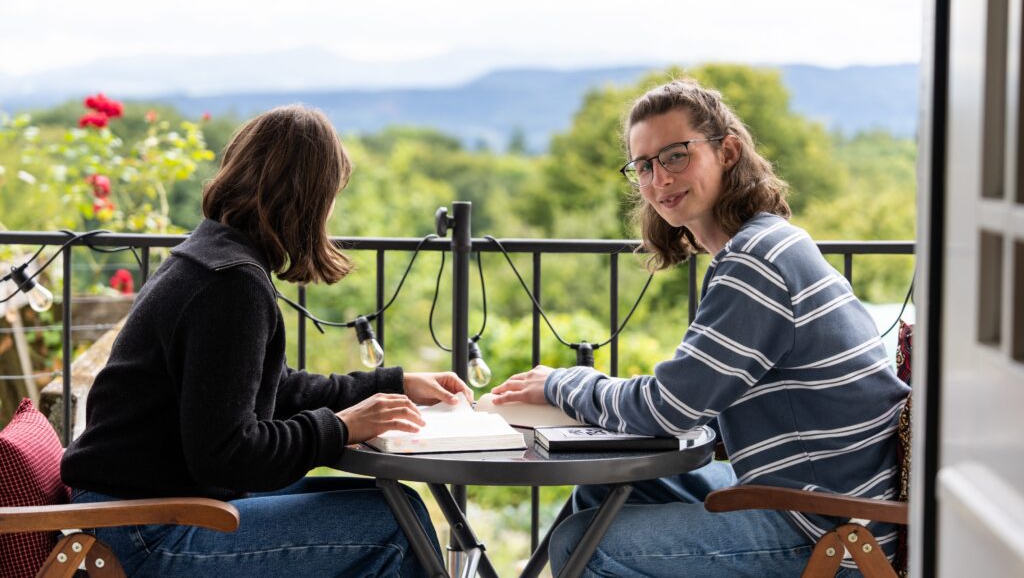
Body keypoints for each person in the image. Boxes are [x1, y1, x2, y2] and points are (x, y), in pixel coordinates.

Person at [492, 79, 910, 577]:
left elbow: (669, 410)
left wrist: (563, 383)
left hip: (831, 529)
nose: (659, 179)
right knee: (601, 495)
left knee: (585, 543)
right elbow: (688, 400)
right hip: (811, 500)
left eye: (675, 156)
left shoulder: (756, 263)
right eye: (643, 166)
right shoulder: (764, 245)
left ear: (727, 152)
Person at [62, 105, 468, 577]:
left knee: (398, 507)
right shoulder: (230, 284)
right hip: (141, 531)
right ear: (309, 199)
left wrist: (393, 384)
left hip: (139, 508)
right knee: (394, 527)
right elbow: (227, 455)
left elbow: (271, 387)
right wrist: (339, 428)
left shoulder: (208, 257)